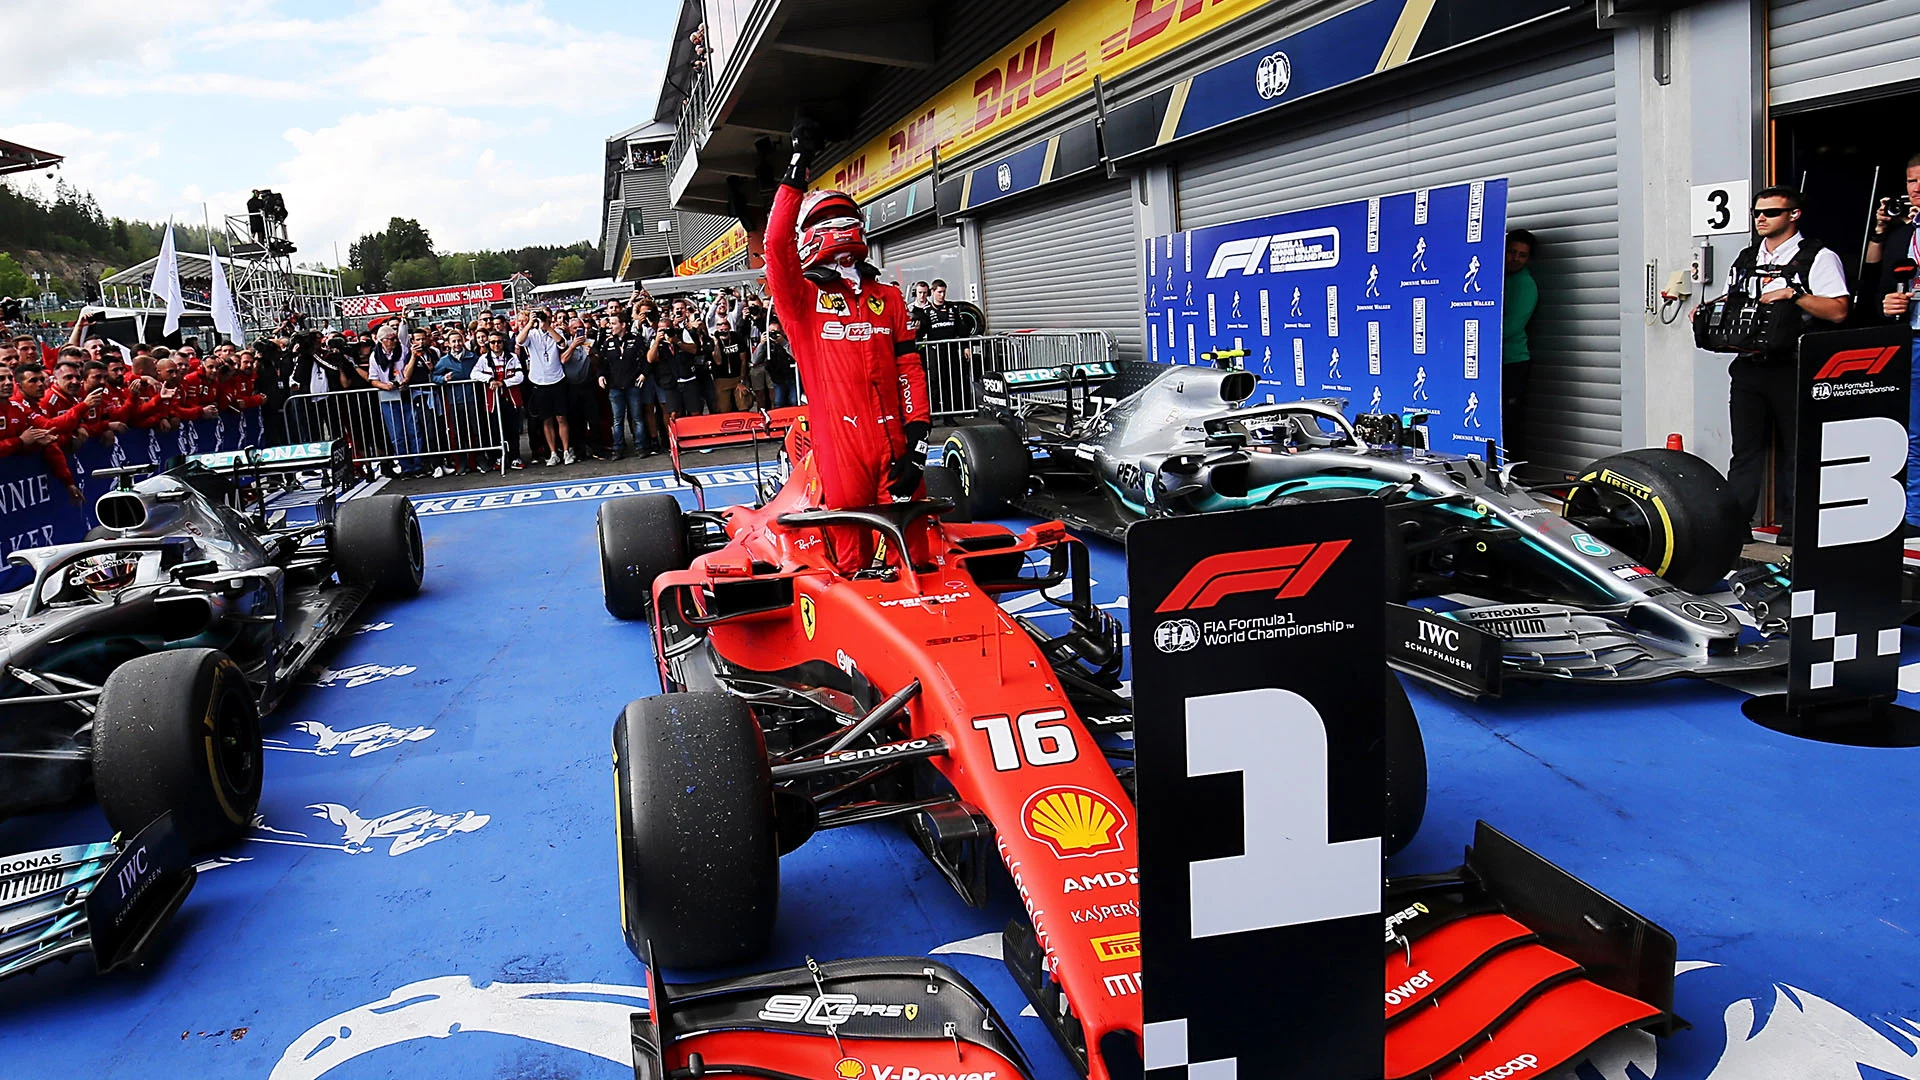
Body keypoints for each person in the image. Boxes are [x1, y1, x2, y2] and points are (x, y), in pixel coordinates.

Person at [764, 118, 931, 570]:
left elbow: (909, 370)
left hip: (894, 441)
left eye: (844, 218)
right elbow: (775, 245)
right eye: (823, 220)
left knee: (914, 547)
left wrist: (918, 440)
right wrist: (797, 167)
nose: (836, 226)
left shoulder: (888, 297)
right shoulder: (802, 301)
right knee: (849, 553)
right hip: (839, 446)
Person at [1708, 186, 1851, 544]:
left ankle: (1796, 527)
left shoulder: (1818, 257)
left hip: (1794, 365)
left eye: (1770, 212)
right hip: (1748, 366)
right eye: (1757, 212)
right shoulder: (1745, 258)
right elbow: (1730, 302)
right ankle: (1736, 527)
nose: (1761, 218)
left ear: (1794, 215)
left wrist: (1794, 294)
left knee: (1797, 449)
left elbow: (1838, 311)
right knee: (1745, 451)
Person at [1868, 152, 1920, 534]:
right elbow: (1882, 289)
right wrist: (1888, 305)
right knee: (1913, 432)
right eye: (1911, 181)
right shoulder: (1902, 235)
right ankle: (1916, 517)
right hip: (1913, 339)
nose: (1916, 189)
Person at [1502, 230, 1540, 458]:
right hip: (1492, 363)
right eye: (1511, 252)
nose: (1515, 258)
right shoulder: (1497, 277)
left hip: (1512, 364)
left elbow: (1511, 327)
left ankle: (1513, 477)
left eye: (1522, 255)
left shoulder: (1525, 285)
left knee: (1510, 424)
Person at [519, 308, 572, 465]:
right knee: (546, 420)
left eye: (547, 317)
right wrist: (530, 323)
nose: (544, 320)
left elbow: (562, 344)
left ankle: (567, 450)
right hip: (539, 382)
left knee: (561, 417)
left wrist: (548, 327)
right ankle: (553, 452)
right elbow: (520, 341)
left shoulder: (556, 332)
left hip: (557, 380)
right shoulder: (532, 334)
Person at [598, 310, 650, 458]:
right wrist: (600, 376)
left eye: (613, 323)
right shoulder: (608, 342)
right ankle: (618, 448)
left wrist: (644, 374)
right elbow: (602, 363)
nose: (610, 326)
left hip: (633, 385)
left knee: (637, 417)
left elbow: (647, 358)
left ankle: (641, 446)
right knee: (617, 419)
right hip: (615, 387)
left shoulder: (636, 339)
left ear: (623, 325)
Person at [473, 329, 527, 469]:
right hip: (493, 402)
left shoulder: (512, 357)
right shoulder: (484, 359)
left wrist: (503, 383)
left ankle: (515, 457)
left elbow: (520, 376)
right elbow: (474, 374)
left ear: (503, 342)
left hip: (511, 400)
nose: (496, 345)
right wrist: (490, 379)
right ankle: (499, 458)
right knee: (496, 430)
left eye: (498, 342)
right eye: (492, 342)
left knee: (513, 431)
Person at [712, 316, 751, 411]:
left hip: (737, 377)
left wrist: (742, 380)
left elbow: (743, 360)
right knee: (724, 408)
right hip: (722, 379)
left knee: (743, 405)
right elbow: (718, 361)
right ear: (716, 327)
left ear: (729, 326)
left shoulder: (737, 337)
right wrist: (716, 344)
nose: (723, 327)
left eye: (725, 324)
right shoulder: (713, 340)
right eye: (720, 325)